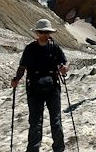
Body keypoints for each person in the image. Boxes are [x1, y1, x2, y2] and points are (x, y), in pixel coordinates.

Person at [11, 19, 69, 152]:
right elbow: (22, 67)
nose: (44, 34)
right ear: (37, 33)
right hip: (38, 88)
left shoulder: (53, 47)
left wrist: (65, 68)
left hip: (47, 88)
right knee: (36, 122)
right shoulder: (31, 48)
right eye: (42, 32)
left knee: (53, 121)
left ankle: (57, 149)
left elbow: (64, 63)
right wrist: (17, 78)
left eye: (46, 32)